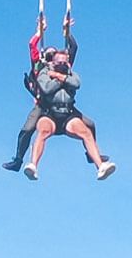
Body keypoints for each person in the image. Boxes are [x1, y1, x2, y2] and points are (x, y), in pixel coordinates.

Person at [2, 19, 106, 172]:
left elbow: (73, 48)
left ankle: (92, 154)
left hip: (65, 106)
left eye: (53, 54)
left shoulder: (64, 65)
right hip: (43, 104)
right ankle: (19, 159)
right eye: (49, 54)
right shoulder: (41, 66)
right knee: (28, 128)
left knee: (90, 125)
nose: (52, 56)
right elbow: (32, 47)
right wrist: (39, 32)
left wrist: (67, 32)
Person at [23, 48, 116, 180]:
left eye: (64, 62)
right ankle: (33, 165)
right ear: (53, 63)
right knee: (42, 131)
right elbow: (46, 88)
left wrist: (60, 77)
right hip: (50, 112)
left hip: (67, 113)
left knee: (86, 131)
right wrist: (59, 80)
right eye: (59, 62)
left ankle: (100, 166)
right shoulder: (45, 73)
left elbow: (76, 83)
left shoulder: (71, 74)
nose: (62, 64)